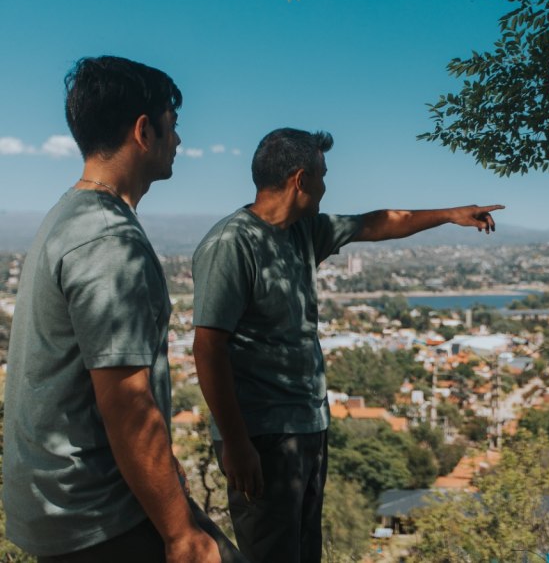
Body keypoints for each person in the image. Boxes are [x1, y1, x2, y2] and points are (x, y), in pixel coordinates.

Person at [191, 127, 502, 563]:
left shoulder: (303, 231)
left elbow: (376, 223)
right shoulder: (232, 244)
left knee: (304, 552)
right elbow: (208, 349)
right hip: (261, 432)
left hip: (307, 425)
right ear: (301, 179)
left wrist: (451, 214)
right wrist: (237, 443)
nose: (326, 185)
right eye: (323, 175)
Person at [2, 56, 245, 563]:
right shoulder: (108, 240)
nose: (179, 140)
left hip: (66, 504)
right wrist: (180, 533)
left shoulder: (70, 215)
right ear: (144, 131)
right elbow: (126, 404)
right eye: (172, 125)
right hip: (98, 516)